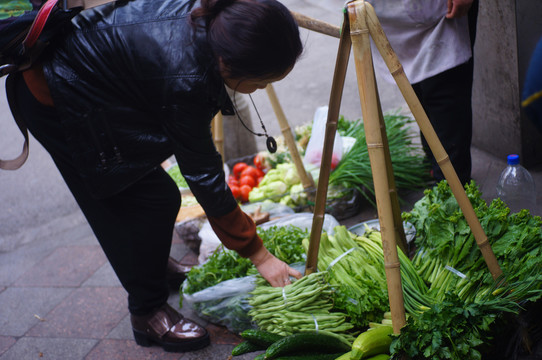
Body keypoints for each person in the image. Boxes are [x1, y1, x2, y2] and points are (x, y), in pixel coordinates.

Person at [5, 0, 303, 353]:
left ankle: (151, 263)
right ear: (227, 62)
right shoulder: (186, 75)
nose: (262, 88)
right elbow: (203, 174)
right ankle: (147, 313)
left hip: (92, 86)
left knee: (151, 195)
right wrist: (259, 255)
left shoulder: (210, 17)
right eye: (262, 81)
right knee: (141, 202)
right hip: (57, 97)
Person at [368, 0, 478, 185]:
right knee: (415, 90)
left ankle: (452, 188)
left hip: (440, 12)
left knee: (444, 88)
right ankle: (434, 166)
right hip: (391, 13)